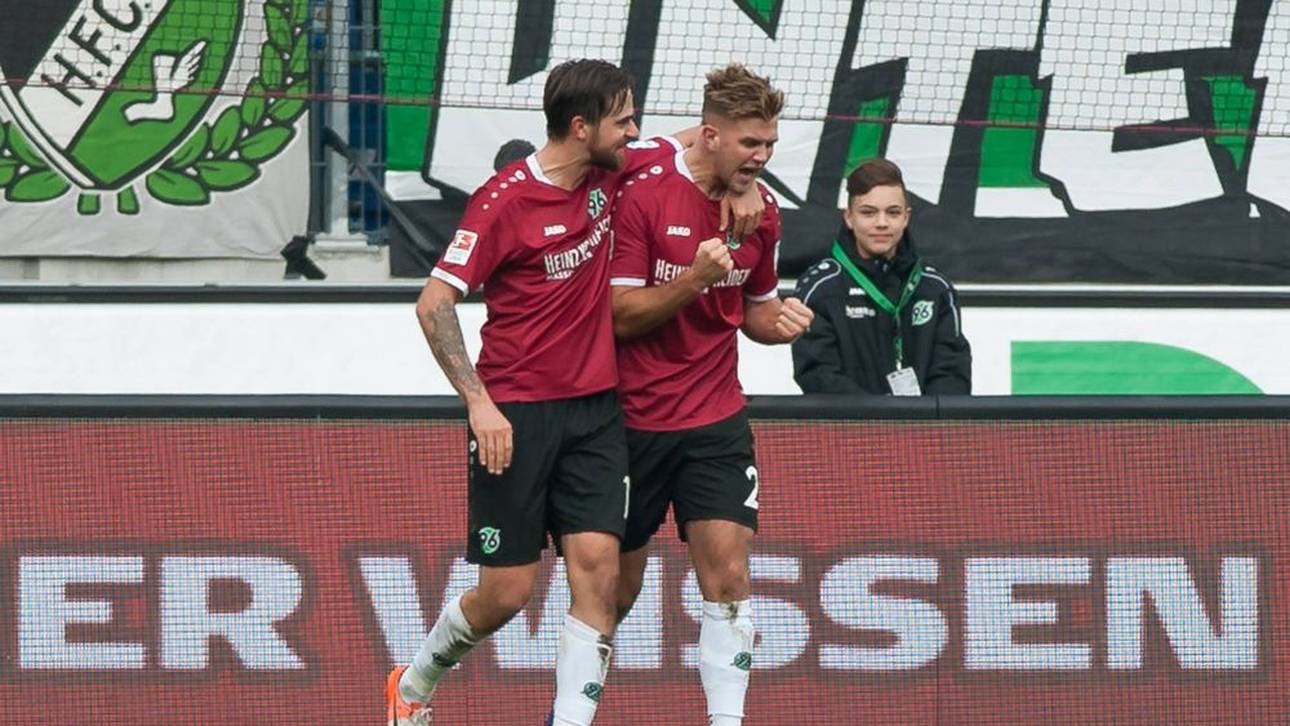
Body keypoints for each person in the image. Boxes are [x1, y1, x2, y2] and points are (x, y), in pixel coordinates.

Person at [388, 59, 764, 726]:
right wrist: (479, 403)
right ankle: (415, 681)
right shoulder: (504, 200)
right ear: (582, 127)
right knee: (506, 594)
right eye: (623, 121)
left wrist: (745, 182)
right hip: (515, 414)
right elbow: (433, 303)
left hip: (596, 414)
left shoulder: (614, 169)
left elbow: (706, 140)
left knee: (598, 574)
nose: (635, 132)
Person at [608, 64, 812, 726]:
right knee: (612, 595)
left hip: (716, 419)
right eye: (750, 143)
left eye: (770, 143)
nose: (762, 156)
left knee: (728, 581)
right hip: (632, 422)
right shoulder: (644, 191)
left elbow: (754, 310)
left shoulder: (765, 212)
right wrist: (696, 277)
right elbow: (621, 317)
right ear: (711, 134)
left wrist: (780, 323)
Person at [792, 158, 971, 395]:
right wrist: (877, 415)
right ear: (849, 217)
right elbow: (817, 373)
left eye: (893, 213)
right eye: (868, 213)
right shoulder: (820, 287)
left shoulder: (935, 288)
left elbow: (952, 371)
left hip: (922, 419)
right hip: (852, 419)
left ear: (906, 217)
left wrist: (921, 415)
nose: (882, 223)